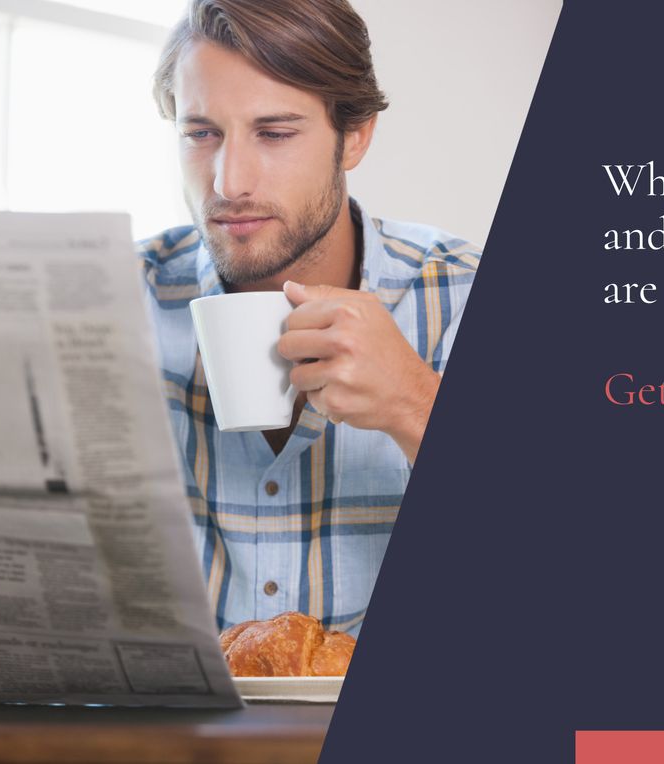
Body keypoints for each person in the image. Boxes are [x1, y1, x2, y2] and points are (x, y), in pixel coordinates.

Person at [138, 0, 479, 635]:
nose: (229, 182)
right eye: (201, 133)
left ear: (356, 136)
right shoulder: (118, 299)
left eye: (274, 133)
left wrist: (415, 404)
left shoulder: (463, 292)